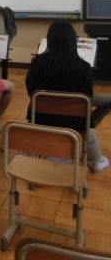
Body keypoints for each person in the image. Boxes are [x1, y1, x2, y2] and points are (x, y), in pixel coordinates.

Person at [26, 20, 111, 172]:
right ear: (73, 41)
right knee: (85, 110)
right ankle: (88, 134)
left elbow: (31, 91)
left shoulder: (37, 63)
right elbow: (88, 97)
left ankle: (83, 132)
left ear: (49, 40)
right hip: (74, 120)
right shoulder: (83, 67)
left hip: (41, 118)